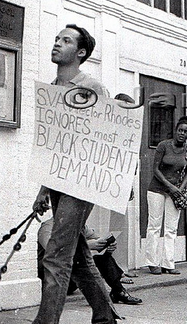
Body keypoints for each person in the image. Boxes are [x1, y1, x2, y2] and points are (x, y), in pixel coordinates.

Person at [32, 24, 118, 324]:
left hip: (82, 184)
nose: (57, 43)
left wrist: (117, 179)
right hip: (57, 180)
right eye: (56, 38)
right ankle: (105, 314)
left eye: (65, 40)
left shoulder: (92, 88)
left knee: (56, 256)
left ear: (80, 52)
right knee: (77, 254)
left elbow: (113, 135)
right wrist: (43, 189)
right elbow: (52, 144)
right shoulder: (52, 89)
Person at [38, 218, 142, 305]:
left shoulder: (79, 224)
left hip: (70, 277)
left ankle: (118, 291)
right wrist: (86, 246)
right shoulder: (48, 226)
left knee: (102, 258)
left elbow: (97, 238)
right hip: (52, 277)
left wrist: (107, 245)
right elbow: (52, 251)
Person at [145, 116, 187, 275]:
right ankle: (153, 263)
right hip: (157, 190)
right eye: (180, 130)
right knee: (154, 225)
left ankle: (168, 263)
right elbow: (156, 170)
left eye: (186, 131)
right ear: (175, 131)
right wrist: (171, 187)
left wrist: (180, 188)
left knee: (171, 228)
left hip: (175, 193)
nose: (182, 133)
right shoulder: (163, 146)